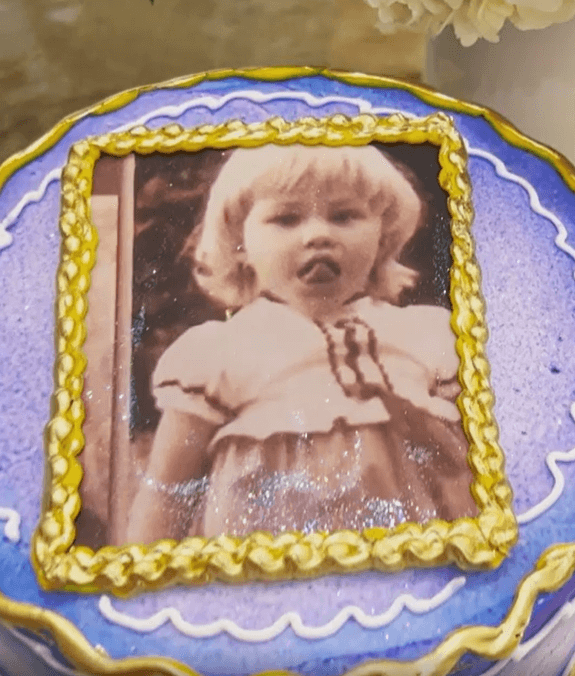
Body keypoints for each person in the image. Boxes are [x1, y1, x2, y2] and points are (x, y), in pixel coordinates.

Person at [125, 144, 478, 544]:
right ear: (240, 246)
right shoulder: (219, 352)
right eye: (286, 219)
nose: (319, 235)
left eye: (344, 216)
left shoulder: (426, 336)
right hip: (261, 565)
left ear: (383, 236)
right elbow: (167, 493)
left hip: (401, 563)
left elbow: (463, 472)